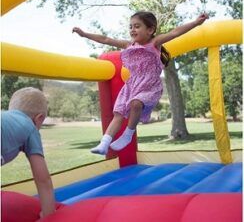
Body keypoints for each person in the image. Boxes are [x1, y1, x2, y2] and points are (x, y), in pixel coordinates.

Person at [72, 11, 209, 155]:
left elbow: (175, 32)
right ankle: (104, 143)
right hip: (132, 85)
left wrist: (195, 22)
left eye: (137, 26)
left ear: (150, 30)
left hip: (149, 85)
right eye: (130, 27)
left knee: (136, 103)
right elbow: (106, 39)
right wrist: (84, 34)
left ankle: (128, 134)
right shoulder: (128, 45)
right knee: (118, 114)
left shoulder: (154, 43)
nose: (132, 30)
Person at [1, 87, 56, 218]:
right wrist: (48, 215)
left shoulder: (5, 118)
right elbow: (43, 180)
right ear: (39, 118)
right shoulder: (30, 128)